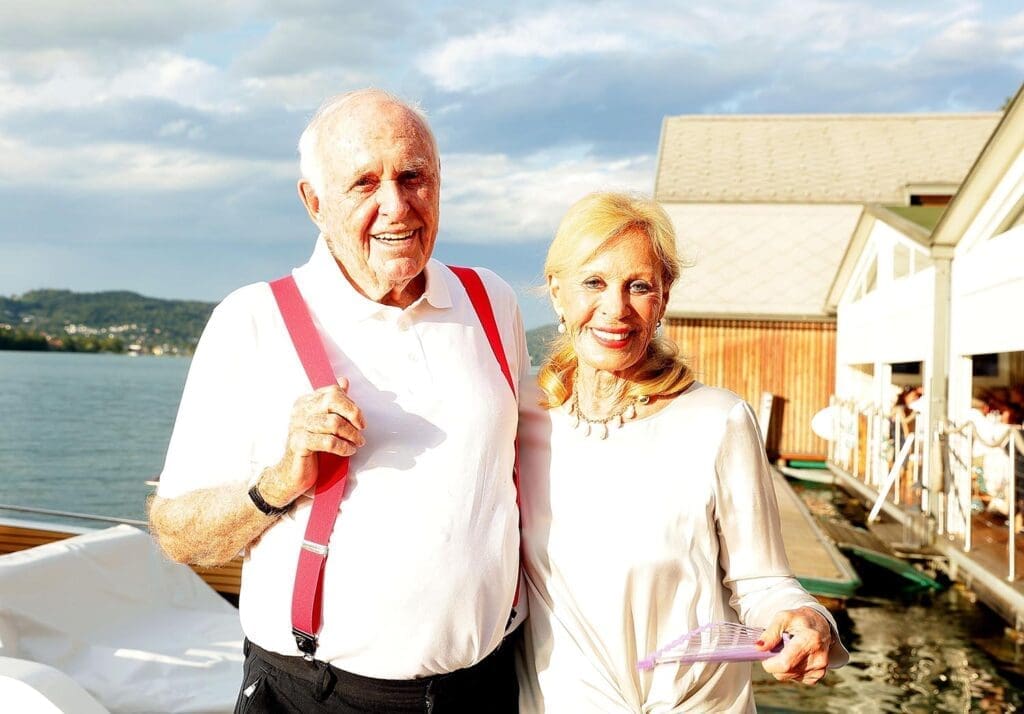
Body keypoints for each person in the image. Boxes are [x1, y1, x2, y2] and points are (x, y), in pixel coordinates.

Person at [148, 89, 528, 713]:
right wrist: (279, 480)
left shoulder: (492, 303)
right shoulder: (253, 320)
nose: (396, 206)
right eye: (365, 184)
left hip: (484, 687)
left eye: (414, 177)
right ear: (314, 203)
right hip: (318, 696)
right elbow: (178, 534)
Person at [516, 192, 849, 713]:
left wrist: (804, 619)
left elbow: (764, 582)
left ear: (663, 299)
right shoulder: (517, 415)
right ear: (557, 292)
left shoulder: (719, 420)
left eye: (639, 286)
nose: (615, 308)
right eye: (593, 282)